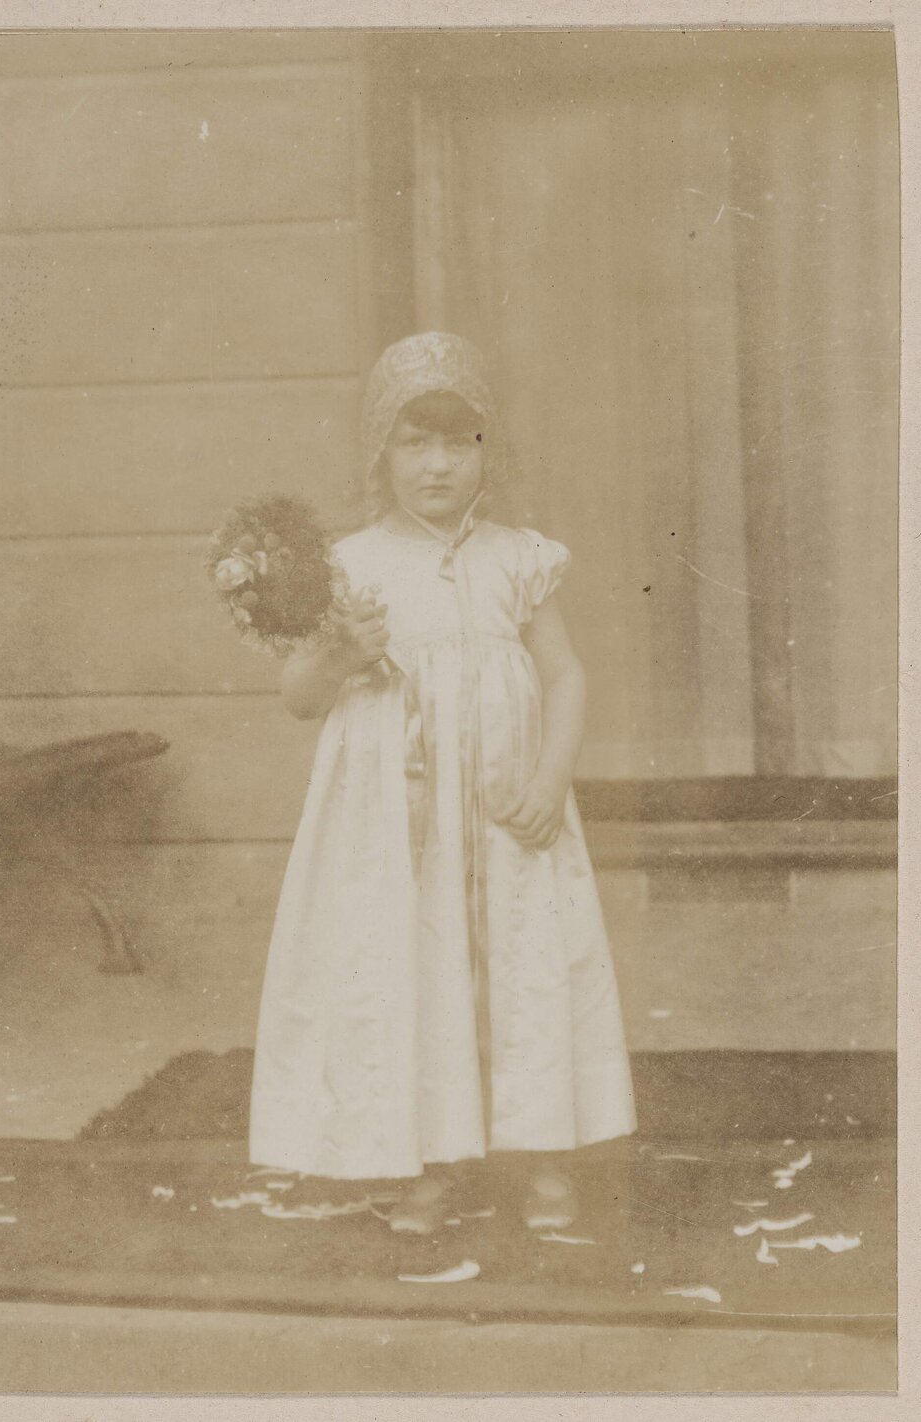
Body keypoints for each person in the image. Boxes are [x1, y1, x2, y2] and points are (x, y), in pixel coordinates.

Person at [248, 331, 636, 1233]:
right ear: (380, 455)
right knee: (414, 963)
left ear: (484, 452)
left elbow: (566, 675)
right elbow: (297, 697)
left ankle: (545, 1159)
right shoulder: (350, 567)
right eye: (412, 443)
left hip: (507, 807)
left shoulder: (518, 558)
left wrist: (549, 778)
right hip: (398, 816)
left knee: (526, 958)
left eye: (455, 442)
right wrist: (342, 654)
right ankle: (431, 1157)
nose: (434, 465)